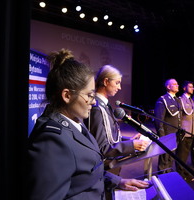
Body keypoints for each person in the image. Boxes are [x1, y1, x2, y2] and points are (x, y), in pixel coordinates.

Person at [27, 48, 149, 200]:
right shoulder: (52, 140)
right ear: (67, 95)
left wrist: (118, 181)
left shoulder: (76, 122)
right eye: (90, 95)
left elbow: (87, 172)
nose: (93, 101)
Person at [87, 65, 149, 176]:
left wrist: (129, 140)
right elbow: (102, 148)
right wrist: (132, 146)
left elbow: (109, 137)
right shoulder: (97, 109)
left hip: (111, 167)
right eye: (117, 83)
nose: (119, 87)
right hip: (104, 171)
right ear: (106, 81)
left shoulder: (104, 105)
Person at [154, 78, 181, 174]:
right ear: (168, 87)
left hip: (175, 133)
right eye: (174, 84)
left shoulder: (177, 100)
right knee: (164, 158)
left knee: (171, 157)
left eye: (177, 84)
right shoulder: (163, 100)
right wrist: (162, 136)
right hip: (167, 134)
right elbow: (158, 120)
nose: (177, 85)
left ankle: (168, 174)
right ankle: (162, 178)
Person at [175, 81, 194, 182]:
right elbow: (178, 116)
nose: (192, 88)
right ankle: (179, 173)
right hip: (184, 130)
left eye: (193, 87)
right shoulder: (180, 100)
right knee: (181, 153)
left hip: (191, 130)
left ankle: (183, 170)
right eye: (190, 87)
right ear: (184, 88)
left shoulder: (191, 100)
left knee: (186, 152)